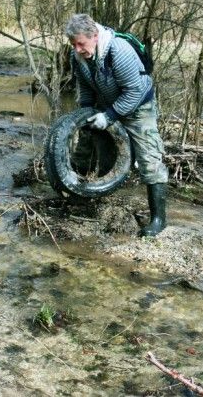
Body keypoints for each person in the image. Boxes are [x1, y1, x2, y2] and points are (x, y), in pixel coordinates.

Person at [65, 13, 168, 237]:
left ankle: (159, 220)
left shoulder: (118, 51)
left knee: (150, 158)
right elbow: (85, 87)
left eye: (80, 44)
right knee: (105, 154)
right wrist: (86, 114)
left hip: (139, 105)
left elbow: (134, 92)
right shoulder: (79, 57)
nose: (77, 50)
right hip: (106, 100)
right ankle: (99, 201)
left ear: (93, 36)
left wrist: (109, 116)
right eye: (73, 45)